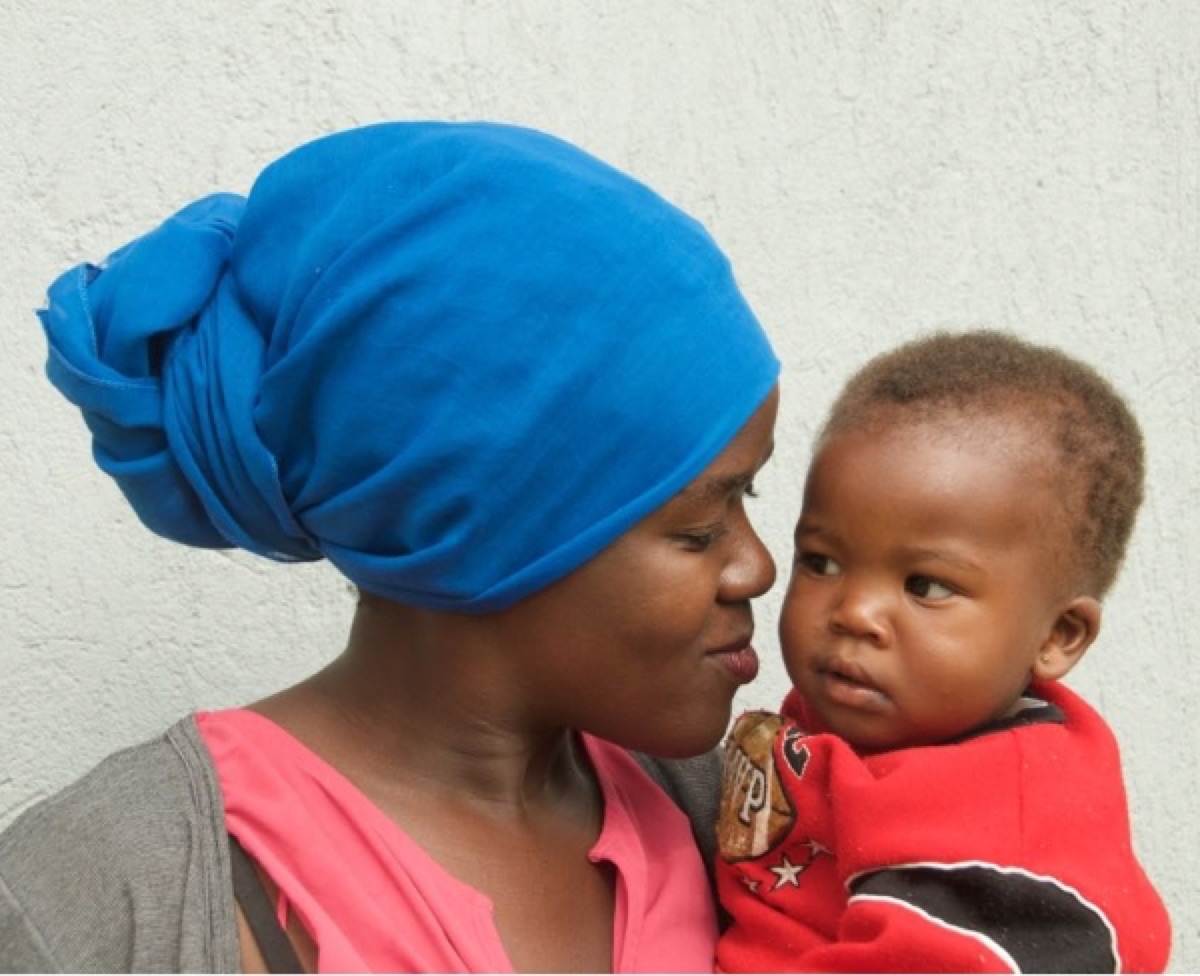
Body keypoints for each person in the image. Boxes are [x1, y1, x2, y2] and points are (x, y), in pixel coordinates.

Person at [0, 121, 781, 973]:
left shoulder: (749, 829)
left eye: (750, 497)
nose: (758, 566)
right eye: (700, 530)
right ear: (479, 531)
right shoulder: (107, 893)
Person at [715, 330, 1171, 973]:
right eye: (821, 561)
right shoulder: (862, 707)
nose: (854, 613)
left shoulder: (1006, 839)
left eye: (925, 586)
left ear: (1056, 637)